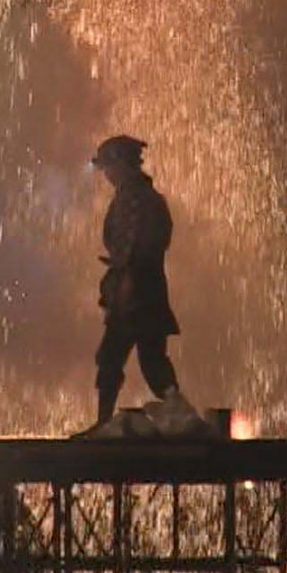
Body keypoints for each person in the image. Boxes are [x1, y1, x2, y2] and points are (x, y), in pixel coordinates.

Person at [87, 135, 181, 427]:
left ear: (121, 166)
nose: (106, 175)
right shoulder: (141, 198)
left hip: (136, 294)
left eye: (108, 168)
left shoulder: (134, 201)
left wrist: (125, 282)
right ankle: (180, 415)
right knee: (147, 360)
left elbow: (136, 247)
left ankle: (106, 424)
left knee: (120, 359)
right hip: (141, 291)